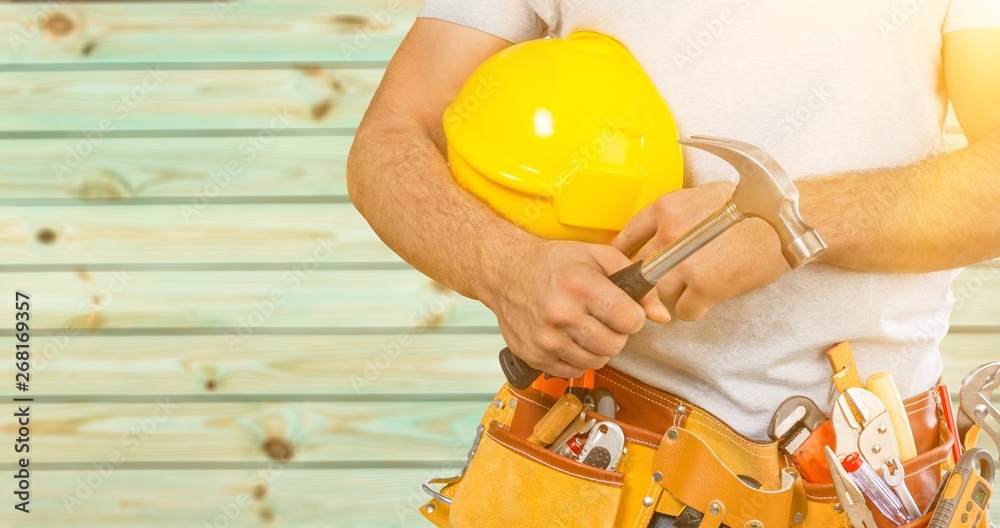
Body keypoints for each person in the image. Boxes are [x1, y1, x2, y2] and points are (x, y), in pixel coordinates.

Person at [347, 1, 1000, 441]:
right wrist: (505, 267)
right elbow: (393, 136)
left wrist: (792, 220)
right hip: (596, 456)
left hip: (863, 468)